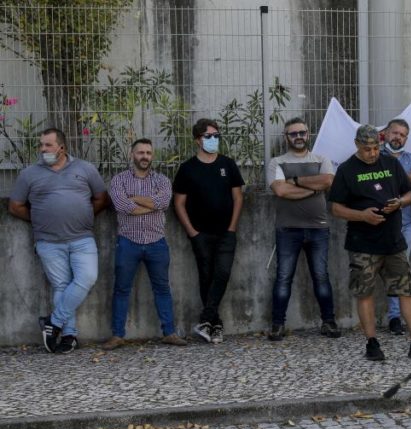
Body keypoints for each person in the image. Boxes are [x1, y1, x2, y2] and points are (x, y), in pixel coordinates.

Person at [328, 124, 411, 362]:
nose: (373, 153)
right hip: (362, 244)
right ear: (357, 145)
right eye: (367, 149)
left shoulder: (391, 164)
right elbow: (336, 208)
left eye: (376, 148)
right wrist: (362, 215)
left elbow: (408, 195)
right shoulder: (346, 170)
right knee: (365, 293)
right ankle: (372, 343)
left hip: (393, 242)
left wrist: (400, 203)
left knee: (406, 291)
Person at [9, 127, 108, 353]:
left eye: (48, 145)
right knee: (61, 286)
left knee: (87, 277)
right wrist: (40, 219)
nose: (42, 149)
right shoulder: (29, 174)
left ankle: (52, 323)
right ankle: (69, 336)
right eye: (41, 145)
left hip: (82, 239)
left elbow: (102, 198)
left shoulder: (85, 168)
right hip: (48, 242)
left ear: (61, 147)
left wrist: (84, 215)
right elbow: (15, 206)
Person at [102, 139, 185, 350]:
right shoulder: (119, 180)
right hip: (128, 242)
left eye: (148, 152)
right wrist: (151, 204)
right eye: (140, 152)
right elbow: (123, 206)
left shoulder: (162, 180)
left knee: (162, 288)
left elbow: (163, 202)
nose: (145, 156)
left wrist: (135, 198)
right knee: (121, 289)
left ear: (152, 155)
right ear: (132, 155)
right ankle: (117, 335)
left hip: (157, 242)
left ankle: (169, 333)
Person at [265, 117, 340, 341]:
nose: (298, 137)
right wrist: (313, 188)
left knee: (321, 277)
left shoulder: (321, 159)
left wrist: (295, 181)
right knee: (283, 277)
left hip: (318, 229)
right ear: (286, 137)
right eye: (293, 133)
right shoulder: (277, 162)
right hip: (288, 230)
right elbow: (281, 191)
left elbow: (328, 182)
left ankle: (329, 322)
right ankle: (277, 325)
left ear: (308, 134)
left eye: (302, 133)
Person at [173, 119, 244, 344]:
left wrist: (232, 227)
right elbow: (179, 203)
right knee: (206, 277)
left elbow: (238, 197)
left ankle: (205, 319)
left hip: (226, 233)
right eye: (208, 136)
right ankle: (215, 325)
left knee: (222, 273)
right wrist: (192, 232)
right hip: (200, 234)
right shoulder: (187, 169)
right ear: (198, 140)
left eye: (216, 135)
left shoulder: (228, 164)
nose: (213, 139)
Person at [380, 118, 411, 336]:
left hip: (405, 223)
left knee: (400, 268)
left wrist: (390, 176)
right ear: (386, 133)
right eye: (395, 133)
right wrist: (405, 179)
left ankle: (395, 317)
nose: (398, 137)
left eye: (402, 135)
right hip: (378, 222)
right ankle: (391, 317)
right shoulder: (376, 155)